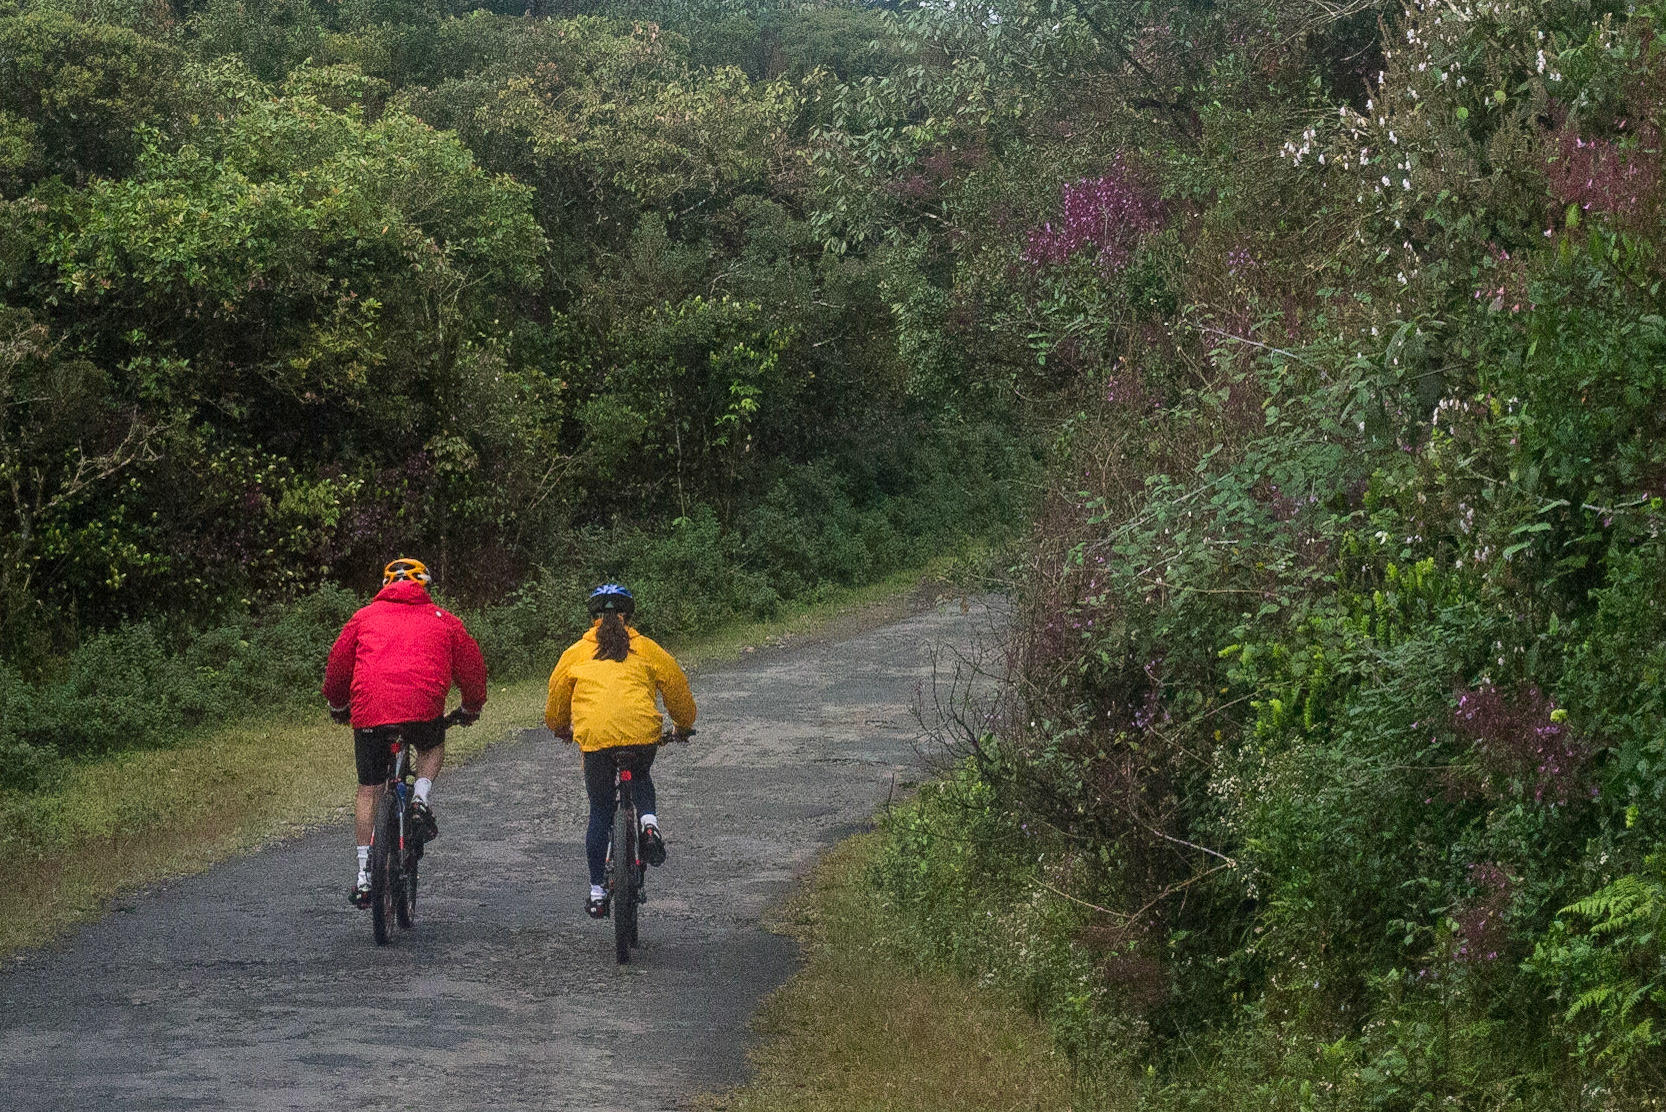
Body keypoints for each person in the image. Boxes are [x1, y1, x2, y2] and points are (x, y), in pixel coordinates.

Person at [323, 557, 488, 908]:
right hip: (423, 709)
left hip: (370, 712)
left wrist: (338, 705)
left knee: (369, 790)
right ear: (423, 587)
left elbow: (338, 664)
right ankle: (419, 799)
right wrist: (471, 706)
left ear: (385, 587)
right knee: (431, 746)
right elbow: (472, 667)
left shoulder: (363, 617)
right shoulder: (444, 620)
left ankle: (364, 876)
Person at [545, 584, 696, 918]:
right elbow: (676, 687)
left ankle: (597, 891)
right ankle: (650, 824)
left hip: (596, 740)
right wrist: (683, 726)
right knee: (640, 777)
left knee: (600, 809)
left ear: (594, 617)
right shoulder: (647, 649)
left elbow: (556, 698)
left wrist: (560, 727)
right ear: (629, 615)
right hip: (641, 734)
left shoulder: (576, 653)